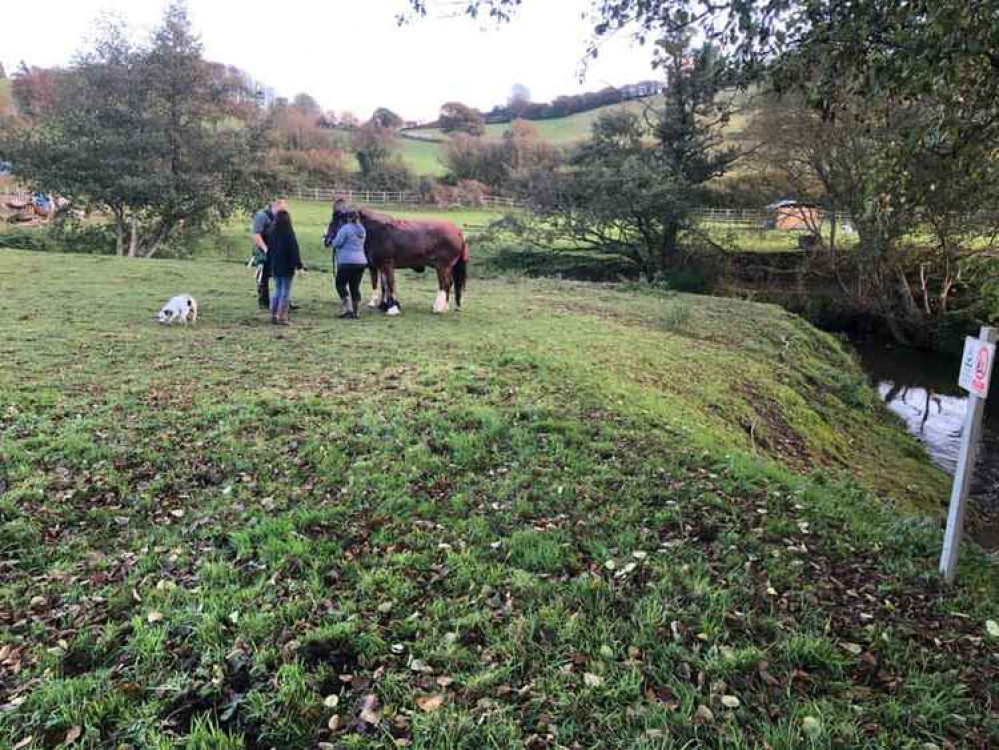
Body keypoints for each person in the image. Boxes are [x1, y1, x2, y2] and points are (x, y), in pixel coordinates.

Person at [267, 209, 305, 325]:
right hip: (287, 266)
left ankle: (273, 314)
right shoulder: (289, 233)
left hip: (275, 265)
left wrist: (270, 264)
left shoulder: (272, 232)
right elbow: (294, 250)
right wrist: (299, 265)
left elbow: (269, 250)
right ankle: (282, 316)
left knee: (277, 289)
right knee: (285, 291)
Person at [330, 209, 367, 319]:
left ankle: (348, 309)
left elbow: (337, 243)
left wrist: (329, 241)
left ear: (348, 218)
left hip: (347, 262)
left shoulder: (345, 229)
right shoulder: (362, 230)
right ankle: (356, 312)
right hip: (361, 262)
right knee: (354, 287)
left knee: (340, 284)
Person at [251, 198, 286, 309]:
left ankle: (283, 301)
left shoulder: (279, 217)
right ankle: (264, 302)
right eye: (282, 209)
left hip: (276, 251)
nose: (284, 212)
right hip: (263, 251)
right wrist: (265, 249)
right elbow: (257, 235)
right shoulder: (261, 216)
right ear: (275, 206)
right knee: (263, 277)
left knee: (281, 276)